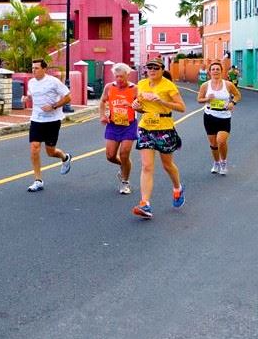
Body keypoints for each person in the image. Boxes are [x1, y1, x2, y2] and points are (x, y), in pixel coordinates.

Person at [130, 58, 187, 219]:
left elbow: (182, 107)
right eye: (149, 67)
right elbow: (141, 106)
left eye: (156, 67)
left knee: (167, 165)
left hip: (164, 128)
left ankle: (177, 188)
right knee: (147, 166)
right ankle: (145, 203)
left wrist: (161, 101)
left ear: (162, 69)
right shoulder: (141, 84)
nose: (152, 70)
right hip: (145, 127)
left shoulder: (168, 85)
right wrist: (136, 106)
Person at [21, 59, 73, 192]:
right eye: (32, 68)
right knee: (34, 148)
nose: (34, 71)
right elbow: (31, 95)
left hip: (53, 120)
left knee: (50, 151)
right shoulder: (32, 82)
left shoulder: (53, 82)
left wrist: (53, 106)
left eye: (37, 68)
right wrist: (26, 98)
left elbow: (68, 97)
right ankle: (38, 180)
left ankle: (65, 157)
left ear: (44, 69)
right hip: (36, 119)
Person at [99, 62, 138, 195]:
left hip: (129, 125)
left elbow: (143, 108)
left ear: (128, 75)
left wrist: (132, 105)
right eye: (116, 76)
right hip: (113, 125)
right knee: (110, 156)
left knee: (124, 153)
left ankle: (125, 182)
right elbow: (102, 101)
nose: (119, 79)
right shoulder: (109, 87)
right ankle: (124, 166)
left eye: (121, 76)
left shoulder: (135, 89)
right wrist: (103, 115)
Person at [197, 61, 242, 176]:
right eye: (213, 69)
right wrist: (207, 99)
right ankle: (216, 162)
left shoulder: (228, 85)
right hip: (209, 116)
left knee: (221, 141)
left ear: (222, 71)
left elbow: (237, 95)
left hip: (224, 116)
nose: (215, 71)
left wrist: (233, 103)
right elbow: (199, 99)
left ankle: (223, 162)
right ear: (209, 72)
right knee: (213, 143)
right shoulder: (205, 85)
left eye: (218, 69)